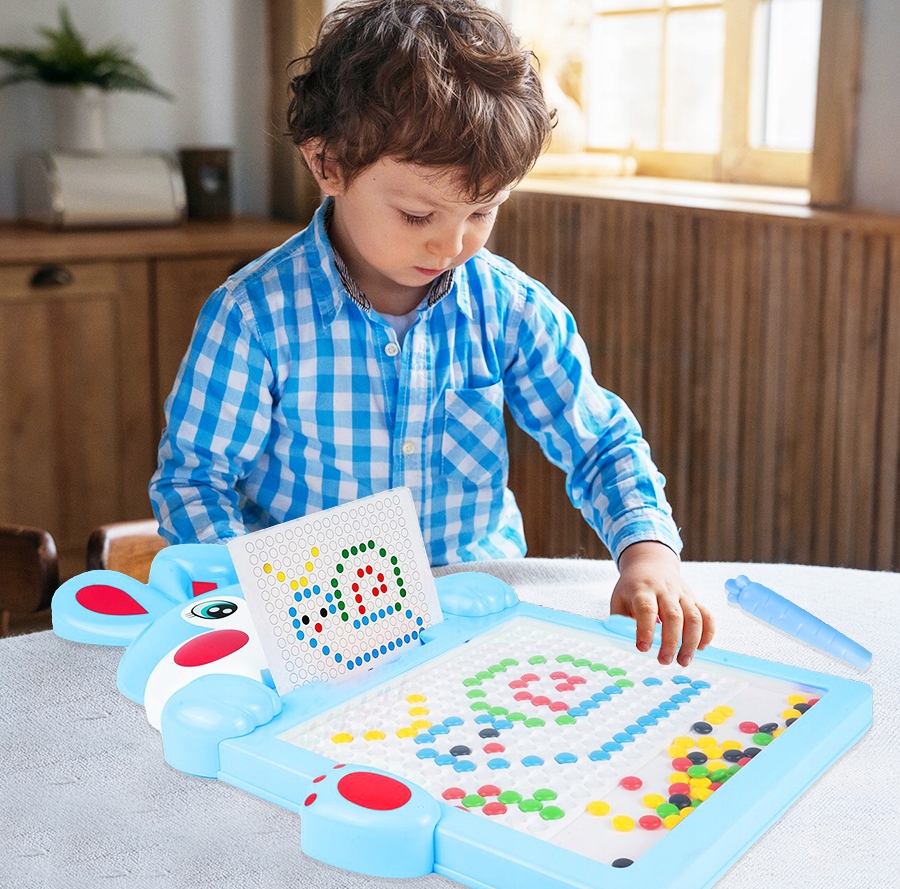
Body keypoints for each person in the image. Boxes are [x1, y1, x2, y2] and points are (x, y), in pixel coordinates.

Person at [150, 0, 714, 666]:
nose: (451, 245)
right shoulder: (253, 316)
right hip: (316, 621)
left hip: (476, 610)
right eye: (418, 215)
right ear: (327, 164)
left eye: (482, 212)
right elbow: (196, 483)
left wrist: (647, 552)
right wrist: (255, 602)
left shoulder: (507, 307)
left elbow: (600, 442)